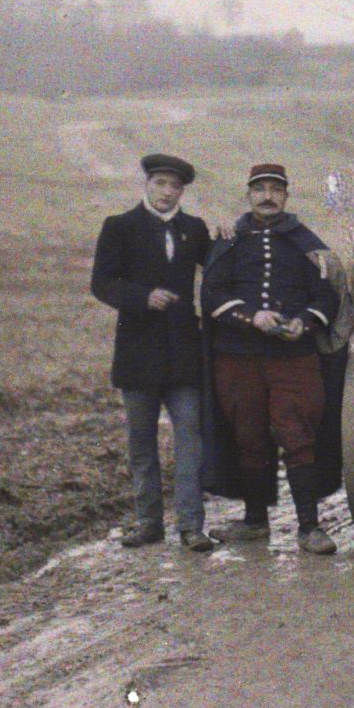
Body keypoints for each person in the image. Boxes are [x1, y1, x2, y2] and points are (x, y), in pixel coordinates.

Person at [199, 164, 343, 555]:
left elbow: (327, 295)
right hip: (238, 356)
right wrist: (251, 317)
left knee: (297, 434)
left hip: (292, 357)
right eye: (260, 189)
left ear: (286, 196)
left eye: (275, 190)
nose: (267, 196)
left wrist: (305, 323)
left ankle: (310, 528)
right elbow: (211, 293)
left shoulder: (305, 243)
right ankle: (255, 523)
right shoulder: (230, 240)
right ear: (249, 195)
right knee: (248, 435)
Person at [89, 152, 218, 553]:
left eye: (174, 186)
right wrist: (143, 297)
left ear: (182, 191)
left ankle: (192, 526)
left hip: (183, 355)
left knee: (190, 439)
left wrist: (229, 236)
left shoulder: (194, 230)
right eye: (160, 184)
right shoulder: (119, 227)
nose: (166, 192)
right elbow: (102, 283)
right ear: (146, 185)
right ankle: (148, 522)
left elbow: (217, 264)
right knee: (141, 441)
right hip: (137, 355)